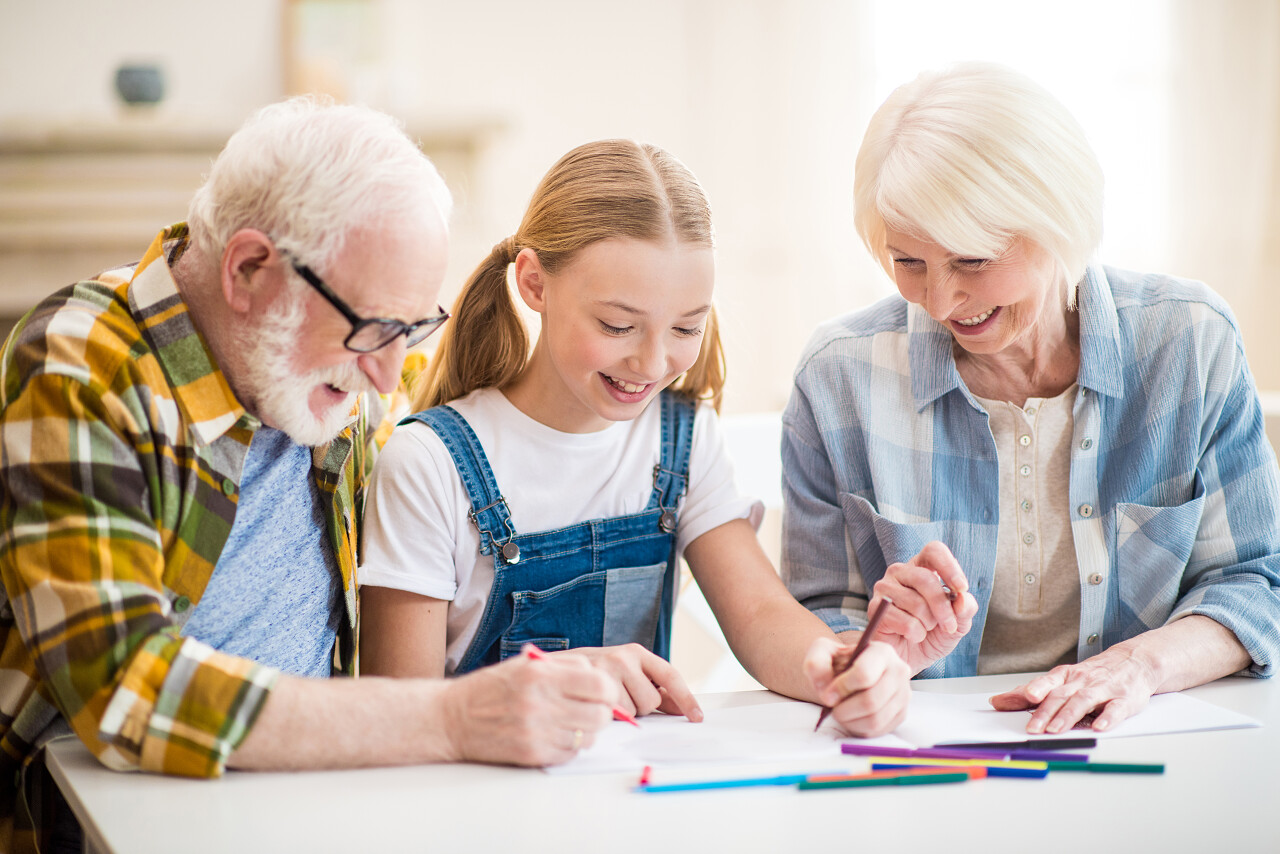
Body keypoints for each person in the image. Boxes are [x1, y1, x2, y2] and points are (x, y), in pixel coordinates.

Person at [0, 97, 619, 854]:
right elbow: (122, 688)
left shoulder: (328, 367)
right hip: (104, 822)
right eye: (373, 329)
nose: (388, 375)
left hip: (312, 807)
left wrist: (573, 674)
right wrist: (447, 718)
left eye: (412, 328)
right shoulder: (79, 364)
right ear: (249, 270)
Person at [782, 62, 1280, 736]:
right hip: (929, 747)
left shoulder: (1189, 342)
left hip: (1139, 733)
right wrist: (869, 663)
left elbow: (1257, 581)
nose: (940, 301)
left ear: (1059, 221)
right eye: (909, 262)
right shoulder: (837, 377)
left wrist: (1139, 666)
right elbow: (819, 614)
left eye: (973, 259)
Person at [358, 139, 911, 735]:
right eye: (617, 325)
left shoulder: (683, 436)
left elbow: (758, 612)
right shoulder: (428, 463)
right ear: (535, 284)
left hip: (635, 780)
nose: (650, 364)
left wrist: (837, 666)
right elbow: (395, 716)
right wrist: (558, 678)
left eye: (685, 328)